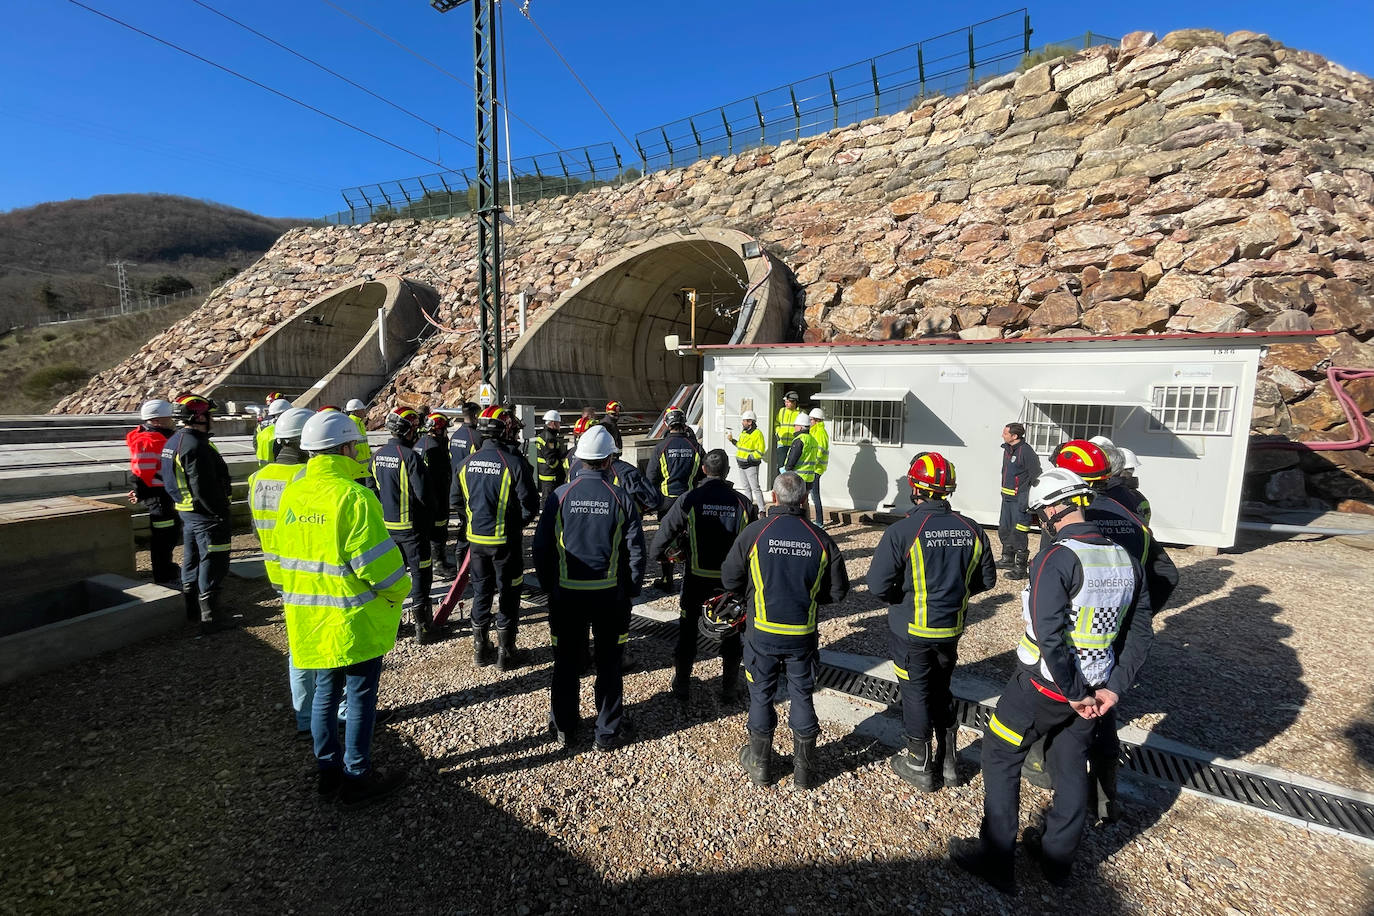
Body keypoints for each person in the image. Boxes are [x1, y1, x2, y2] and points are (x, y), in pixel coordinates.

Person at [949, 468, 1154, 894]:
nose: (1042, 519)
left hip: (1043, 688)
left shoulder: (1056, 557)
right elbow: (1140, 632)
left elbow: (1049, 634)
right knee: (1069, 762)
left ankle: (996, 857)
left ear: (1056, 508)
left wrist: (1075, 693)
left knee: (1001, 753)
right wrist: (1112, 688)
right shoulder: (1123, 557)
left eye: (1042, 512)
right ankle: (1058, 860)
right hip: (1097, 690)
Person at [1022, 438, 1178, 822]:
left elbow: (1053, 580)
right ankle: (1105, 797)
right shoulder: (1132, 517)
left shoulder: (1065, 522)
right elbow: (1166, 575)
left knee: (1061, 704)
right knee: (1105, 713)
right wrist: (1132, 611)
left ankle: (1046, 771)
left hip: (1074, 634)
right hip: (1114, 635)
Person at [276, 409, 411, 808]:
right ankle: (358, 776)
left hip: (308, 617)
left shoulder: (294, 492)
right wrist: (400, 591)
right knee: (360, 696)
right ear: (344, 448)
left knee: (323, 694)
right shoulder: (354, 496)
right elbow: (378, 566)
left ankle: (327, 771)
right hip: (352, 620)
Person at [867, 452, 995, 792]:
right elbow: (987, 580)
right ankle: (949, 763)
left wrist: (901, 599)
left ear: (915, 488)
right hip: (950, 628)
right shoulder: (973, 529)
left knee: (915, 692)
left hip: (910, 631)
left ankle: (919, 764)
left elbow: (878, 586)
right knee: (941, 688)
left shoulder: (904, 530)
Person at [722, 472, 849, 789]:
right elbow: (837, 592)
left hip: (761, 633)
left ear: (774, 499)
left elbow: (729, 579)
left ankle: (761, 765)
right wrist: (808, 595)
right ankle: (804, 772)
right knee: (802, 695)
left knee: (761, 696)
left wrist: (751, 593)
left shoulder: (755, 533)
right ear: (804, 500)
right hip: (801, 635)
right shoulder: (820, 539)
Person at [534, 424, 646, 752]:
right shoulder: (620, 496)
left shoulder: (559, 496)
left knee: (566, 662)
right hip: (610, 597)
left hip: (566, 596)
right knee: (609, 663)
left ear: (580, 459)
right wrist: (632, 588)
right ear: (610, 460)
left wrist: (549, 587)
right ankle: (607, 731)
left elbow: (542, 548)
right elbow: (635, 549)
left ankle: (564, 727)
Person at [650, 448, 757, 705]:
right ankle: (729, 689)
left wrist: (671, 555)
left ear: (704, 470)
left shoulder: (690, 499)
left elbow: (659, 543)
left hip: (696, 579)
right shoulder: (744, 504)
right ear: (728, 472)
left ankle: (683, 685)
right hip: (730, 584)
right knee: (731, 634)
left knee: (687, 632)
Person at [246, 407, 322, 735]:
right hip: (309, 572)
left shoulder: (257, 479)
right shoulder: (306, 480)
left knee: (299, 644)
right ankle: (335, 712)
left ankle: (305, 715)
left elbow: (255, 528)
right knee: (326, 643)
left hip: (278, 573)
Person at [453, 406, 539, 670]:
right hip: (506, 544)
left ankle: (480, 650)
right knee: (509, 593)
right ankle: (506, 653)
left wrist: (475, 523)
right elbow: (531, 505)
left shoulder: (465, 464)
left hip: (476, 543)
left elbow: (456, 501)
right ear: (505, 431)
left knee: (481, 591)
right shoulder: (514, 463)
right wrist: (515, 524)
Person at [161, 394, 234, 633]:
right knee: (212, 562)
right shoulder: (195, 446)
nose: (212, 419)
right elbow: (205, 487)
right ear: (199, 416)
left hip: (188, 513)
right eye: (209, 414)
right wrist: (219, 514)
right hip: (206, 516)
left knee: (191, 560)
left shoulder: (174, 441)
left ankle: (193, 609)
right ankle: (211, 617)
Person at [372, 407, 435, 644]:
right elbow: (424, 496)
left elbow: (372, 487)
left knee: (393, 576)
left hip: (387, 529)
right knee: (420, 574)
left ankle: (394, 624)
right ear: (409, 431)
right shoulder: (411, 457)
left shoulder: (378, 455)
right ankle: (423, 628)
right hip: (412, 530)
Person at [647, 407, 705, 591]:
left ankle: (667, 578)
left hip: (667, 502)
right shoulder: (695, 447)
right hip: (689, 500)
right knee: (690, 539)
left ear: (666, 424)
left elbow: (651, 478)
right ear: (684, 423)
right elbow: (703, 474)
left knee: (667, 539)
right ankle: (690, 576)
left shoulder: (660, 447)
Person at [126, 398, 181, 585]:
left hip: (166, 493)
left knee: (170, 534)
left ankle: (168, 570)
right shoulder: (148, 441)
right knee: (163, 538)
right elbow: (141, 471)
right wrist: (140, 491)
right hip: (158, 495)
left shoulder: (162, 436)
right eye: (169, 417)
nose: (172, 420)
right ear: (157, 420)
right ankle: (163, 575)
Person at [997, 422, 1041, 580]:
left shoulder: (1026, 451)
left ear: (1014, 436)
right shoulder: (1007, 449)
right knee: (1004, 528)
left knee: (1019, 532)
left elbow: (1036, 475)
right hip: (1006, 498)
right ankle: (1007, 558)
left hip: (1020, 500)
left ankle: (1020, 568)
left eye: (1005, 433)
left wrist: (1026, 497)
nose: (1003, 435)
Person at [416, 412, 456, 579]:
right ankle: (439, 564)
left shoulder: (420, 442)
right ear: (439, 430)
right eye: (445, 429)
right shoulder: (435, 448)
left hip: (424, 498)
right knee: (439, 532)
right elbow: (442, 476)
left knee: (428, 532)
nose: (447, 432)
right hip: (437, 498)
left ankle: (434, 562)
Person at [781, 414, 820, 518]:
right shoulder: (813, 440)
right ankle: (807, 523)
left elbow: (792, 459)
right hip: (809, 478)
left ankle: (796, 524)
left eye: (796, 425)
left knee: (795, 503)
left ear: (801, 427)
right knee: (805, 502)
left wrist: (786, 471)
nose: (794, 427)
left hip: (798, 478)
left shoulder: (799, 440)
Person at [725, 410, 766, 509]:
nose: (742, 423)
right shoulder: (744, 432)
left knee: (755, 488)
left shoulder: (757, 434)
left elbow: (760, 451)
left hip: (750, 465)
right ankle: (749, 508)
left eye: (744, 421)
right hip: (741, 465)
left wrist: (749, 459)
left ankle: (762, 510)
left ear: (750, 422)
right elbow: (740, 446)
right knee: (746, 488)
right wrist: (732, 440)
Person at [536, 409, 567, 505]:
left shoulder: (542, 435)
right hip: (551, 477)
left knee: (547, 499)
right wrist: (562, 467)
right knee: (549, 502)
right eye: (558, 423)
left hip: (546, 475)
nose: (559, 425)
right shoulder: (550, 439)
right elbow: (551, 461)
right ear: (553, 423)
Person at [806, 407, 830, 524]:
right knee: (813, 495)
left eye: (811, 420)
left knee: (815, 495)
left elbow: (819, 452)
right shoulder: (815, 431)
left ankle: (820, 522)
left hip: (816, 468)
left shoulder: (820, 433)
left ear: (817, 420)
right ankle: (818, 520)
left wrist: (811, 462)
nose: (809, 422)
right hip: (814, 468)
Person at [256, 397, 291, 468]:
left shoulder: (262, 426)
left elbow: (255, 444)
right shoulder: (283, 429)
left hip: (262, 467)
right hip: (278, 466)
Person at [345, 398, 373, 477]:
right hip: (356, 469)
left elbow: (364, 444)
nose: (365, 412)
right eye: (362, 410)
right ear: (356, 412)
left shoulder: (360, 423)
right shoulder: (350, 424)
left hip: (365, 468)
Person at [773, 390, 801, 469]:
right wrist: (777, 432)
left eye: (788, 402)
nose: (786, 404)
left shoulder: (800, 413)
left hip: (794, 444)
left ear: (794, 402)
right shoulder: (782, 411)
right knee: (781, 466)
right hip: (781, 443)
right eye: (785, 402)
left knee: (792, 466)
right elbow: (776, 423)